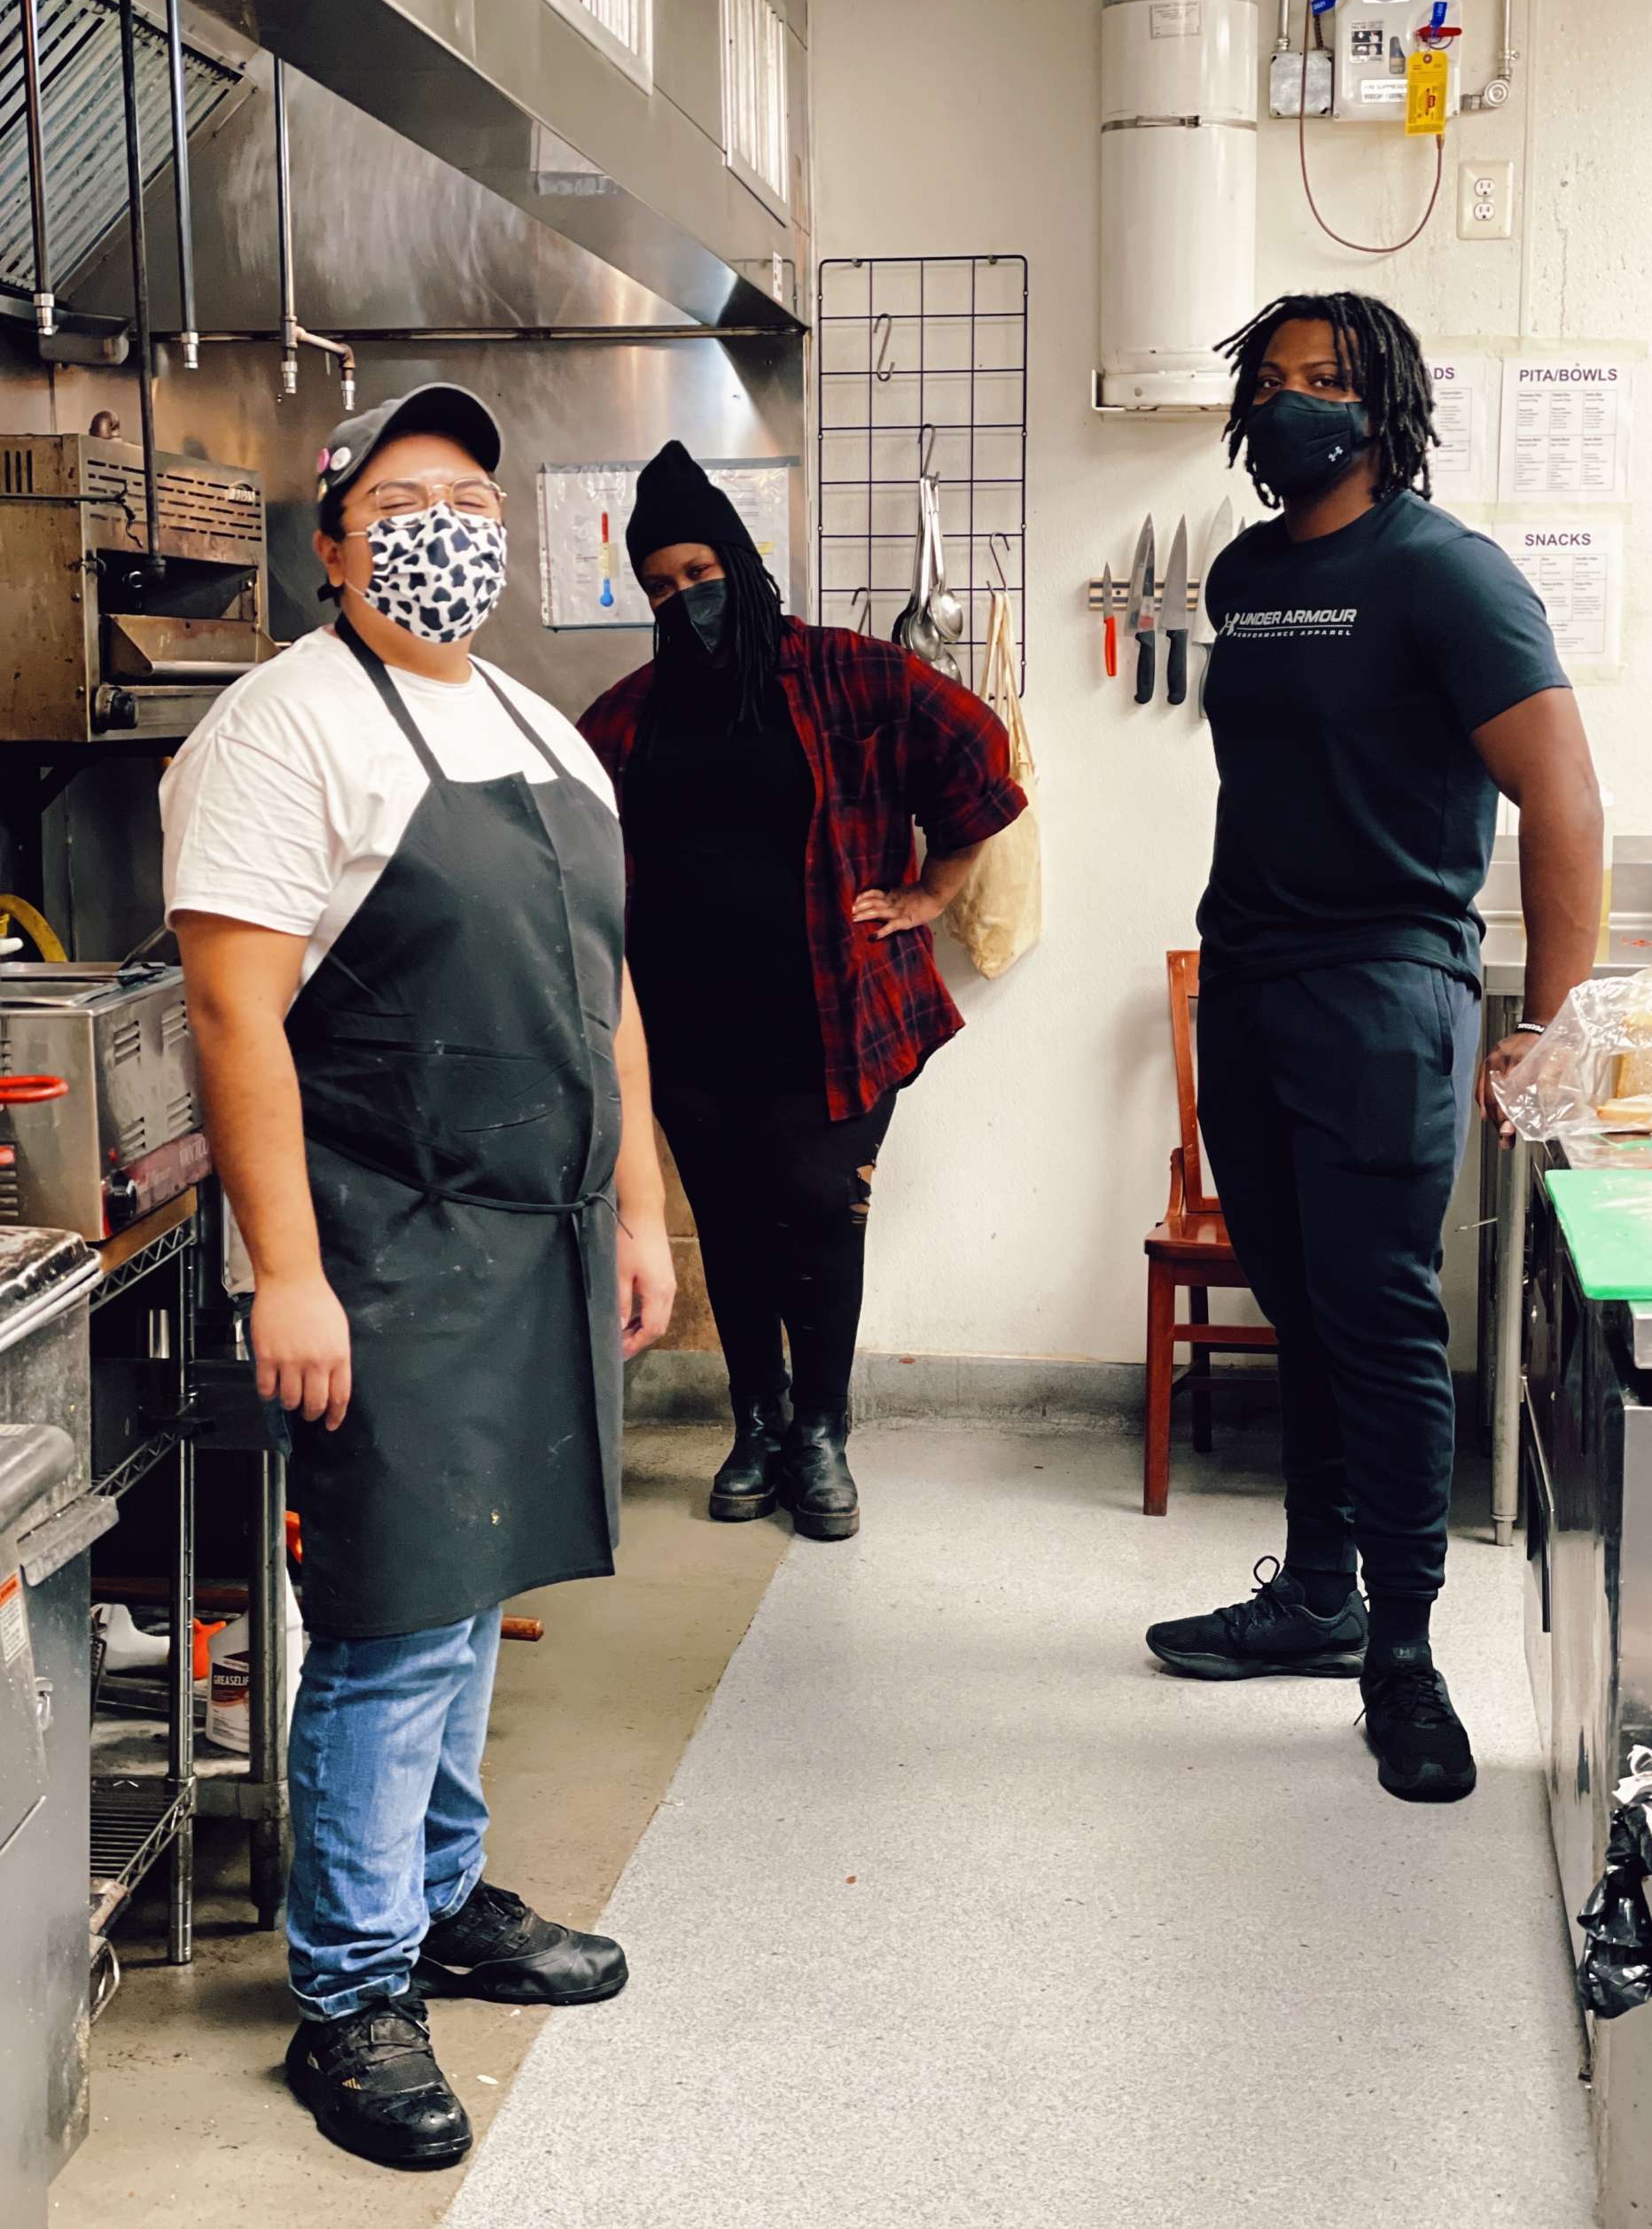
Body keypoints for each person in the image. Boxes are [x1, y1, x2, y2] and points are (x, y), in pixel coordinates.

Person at [160, 385, 675, 2170]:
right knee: (390, 1615)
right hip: (383, 1236)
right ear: (336, 540)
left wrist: (641, 1207)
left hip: (538, 1232)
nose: (442, 521)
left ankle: (443, 1894)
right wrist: (284, 1270)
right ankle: (354, 1985)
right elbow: (233, 1010)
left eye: (469, 492)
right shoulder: (279, 727)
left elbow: (607, 995)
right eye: (402, 496)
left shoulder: (546, 725)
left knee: (473, 1596)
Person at [1144, 294, 1602, 1804]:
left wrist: (1545, 1019)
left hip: (1387, 986)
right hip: (1255, 980)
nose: (1294, 404)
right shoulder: (1243, 573)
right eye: (1270, 382)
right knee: (1306, 1305)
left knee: (1384, 1317)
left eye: (1326, 381)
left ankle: (1401, 1658)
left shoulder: (1446, 576)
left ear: (1386, 402)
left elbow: (1565, 798)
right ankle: (1319, 1596)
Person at [579, 442, 1025, 1541]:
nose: (686, 598)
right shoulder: (629, 716)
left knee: (822, 1213)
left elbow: (979, 754)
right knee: (728, 1225)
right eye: (661, 586)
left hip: (834, 1013)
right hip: (688, 1025)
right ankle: (758, 1418)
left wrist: (930, 892)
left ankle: (822, 1432)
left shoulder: (847, 673)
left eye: (698, 570)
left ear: (739, 556)